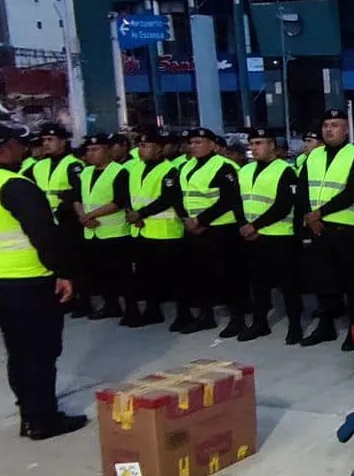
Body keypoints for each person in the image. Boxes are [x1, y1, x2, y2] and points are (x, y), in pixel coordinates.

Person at [0, 120, 87, 440]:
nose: (25, 148)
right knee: (40, 352)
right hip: (28, 279)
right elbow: (44, 235)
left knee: (18, 349)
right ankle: (43, 419)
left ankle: (28, 411)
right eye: (17, 143)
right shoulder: (15, 185)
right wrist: (64, 273)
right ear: (1, 151)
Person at [297, 109, 354, 348]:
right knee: (323, 280)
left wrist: (319, 213)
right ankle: (326, 327)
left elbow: (352, 192)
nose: (329, 129)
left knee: (352, 285)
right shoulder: (314, 156)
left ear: (346, 129)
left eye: (335, 125)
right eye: (326, 125)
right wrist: (310, 218)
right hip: (318, 229)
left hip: (346, 230)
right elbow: (302, 188)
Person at [179, 127, 250, 338]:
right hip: (193, 229)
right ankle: (205, 316)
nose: (194, 146)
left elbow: (228, 199)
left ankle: (237, 319)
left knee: (228, 276)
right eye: (191, 143)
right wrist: (187, 219)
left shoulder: (224, 166)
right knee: (200, 276)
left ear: (211, 145)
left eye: (199, 142)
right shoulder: (186, 166)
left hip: (220, 229)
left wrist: (201, 220)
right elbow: (181, 196)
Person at [238, 126, 304, 344]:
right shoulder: (245, 171)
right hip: (252, 237)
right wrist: (244, 225)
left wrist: (255, 225)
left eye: (259, 143)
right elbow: (238, 201)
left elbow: (284, 205)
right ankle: (260, 323)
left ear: (272, 146)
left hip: (279, 237)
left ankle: (295, 326)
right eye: (252, 144)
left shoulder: (285, 170)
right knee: (257, 284)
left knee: (288, 285)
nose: (254, 148)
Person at [125, 127, 186, 328]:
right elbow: (129, 196)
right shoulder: (135, 168)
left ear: (159, 149)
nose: (141, 150)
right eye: (139, 146)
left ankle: (183, 314)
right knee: (146, 275)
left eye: (146, 146)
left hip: (166, 231)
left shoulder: (169, 170)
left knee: (176, 277)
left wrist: (140, 214)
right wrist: (131, 214)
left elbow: (167, 199)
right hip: (142, 230)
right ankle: (152, 311)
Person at [75, 134, 138, 323]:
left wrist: (91, 215)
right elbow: (76, 197)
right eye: (88, 150)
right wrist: (82, 217)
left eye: (96, 149)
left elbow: (118, 201)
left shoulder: (119, 171)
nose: (91, 154)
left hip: (115, 232)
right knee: (101, 273)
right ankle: (111, 305)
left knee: (123, 274)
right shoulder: (85, 172)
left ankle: (131, 309)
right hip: (92, 231)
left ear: (108, 150)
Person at [27, 123, 86, 312]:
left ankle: (81, 302)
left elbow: (79, 192)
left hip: (68, 221)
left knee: (74, 263)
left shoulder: (74, 165)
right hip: (48, 222)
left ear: (63, 142)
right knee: (55, 263)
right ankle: (62, 300)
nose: (46, 144)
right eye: (44, 140)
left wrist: (65, 202)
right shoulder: (39, 166)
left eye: (50, 140)